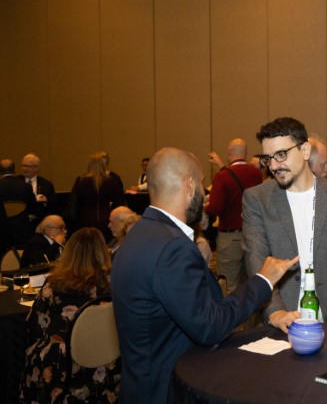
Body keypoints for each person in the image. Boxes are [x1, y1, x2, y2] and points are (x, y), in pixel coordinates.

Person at [111, 147, 298, 403]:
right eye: (201, 183)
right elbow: (209, 326)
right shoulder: (172, 246)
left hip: (141, 385)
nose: (204, 192)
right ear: (189, 186)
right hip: (167, 390)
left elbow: (194, 311)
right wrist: (263, 280)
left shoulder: (137, 236)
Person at [243, 117, 327, 333]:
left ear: (304, 151)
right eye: (268, 159)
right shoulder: (257, 199)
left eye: (281, 155)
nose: (273, 166)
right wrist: (276, 312)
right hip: (281, 327)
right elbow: (257, 262)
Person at [20, 227, 120, 403]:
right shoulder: (114, 282)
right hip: (107, 358)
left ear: (70, 253)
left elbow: (34, 325)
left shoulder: (54, 283)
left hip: (62, 364)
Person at [206, 138, 263, 293]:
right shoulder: (256, 174)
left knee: (228, 284)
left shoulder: (222, 177)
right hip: (252, 236)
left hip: (230, 237)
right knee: (249, 283)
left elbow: (215, 208)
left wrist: (205, 208)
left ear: (229, 154)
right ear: (245, 153)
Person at [70, 153, 125, 241]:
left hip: (85, 219)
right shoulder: (111, 181)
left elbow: (74, 203)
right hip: (106, 219)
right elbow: (119, 202)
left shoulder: (81, 181)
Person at [0, 159, 37, 249]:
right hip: (22, 230)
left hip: (2, 231)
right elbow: (33, 208)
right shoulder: (25, 186)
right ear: (14, 171)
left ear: (0, 172)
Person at [17, 153, 56, 220]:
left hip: (39, 219)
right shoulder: (16, 181)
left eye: (28, 166)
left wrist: (45, 201)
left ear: (36, 168)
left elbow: (54, 204)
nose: (25, 168)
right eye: (23, 165)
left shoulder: (46, 184)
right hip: (20, 219)